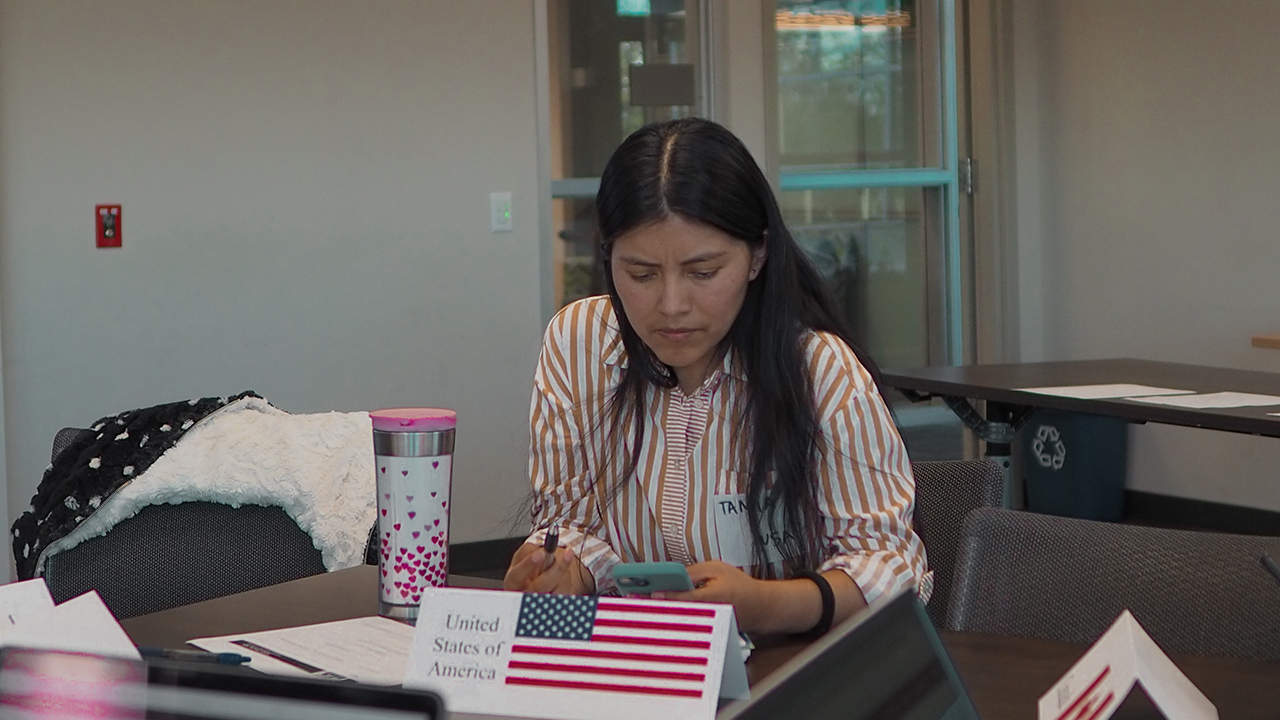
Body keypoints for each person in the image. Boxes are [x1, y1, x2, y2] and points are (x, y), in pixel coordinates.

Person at [504, 117, 929, 637]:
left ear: (758, 256)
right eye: (640, 275)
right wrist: (564, 570)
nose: (672, 305)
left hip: (795, 671)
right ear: (607, 259)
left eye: (704, 273)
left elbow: (893, 568)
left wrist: (767, 605)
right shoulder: (580, 346)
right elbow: (573, 526)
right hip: (649, 666)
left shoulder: (820, 371)